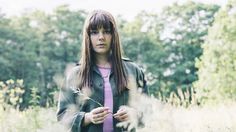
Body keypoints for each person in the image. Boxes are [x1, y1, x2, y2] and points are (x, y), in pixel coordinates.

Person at [57, 10, 148, 132]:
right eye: (94, 32)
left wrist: (134, 114)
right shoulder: (75, 74)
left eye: (106, 32)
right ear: (88, 37)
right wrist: (87, 117)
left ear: (113, 35)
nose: (101, 37)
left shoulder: (133, 71)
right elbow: (62, 116)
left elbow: (148, 112)